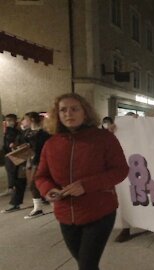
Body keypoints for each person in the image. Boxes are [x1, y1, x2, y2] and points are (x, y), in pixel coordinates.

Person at [35, 93, 129, 270]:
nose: (68, 113)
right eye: (63, 110)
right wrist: (47, 190)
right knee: (85, 264)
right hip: (65, 215)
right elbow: (41, 176)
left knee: (87, 265)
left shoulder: (104, 138)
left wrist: (86, 186)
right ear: (57, 115)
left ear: (85, 113)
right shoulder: (51, 143)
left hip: (99, 213)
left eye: (74, 109)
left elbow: (120, 170)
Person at [22, 112, 51, 219]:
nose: (23, 122)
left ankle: (39, 207)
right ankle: (38, 206)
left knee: (35, 183)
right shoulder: (27, 132)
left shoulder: (44, 133)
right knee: (31, 183)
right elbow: (24, 145)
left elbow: (46, 148)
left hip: (40, 161)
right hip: (29, 161)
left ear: (32, 120)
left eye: (25, 119)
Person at [2, 114, 20, 197]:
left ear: (14, 121)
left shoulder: (14, 130)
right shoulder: (9, 130)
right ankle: (12, 187)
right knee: (10, 171)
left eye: (9, 120)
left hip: (11, 153)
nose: (7, 122)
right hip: (8, 153)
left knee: (12, 171)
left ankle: (12, 188)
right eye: (7, 120)